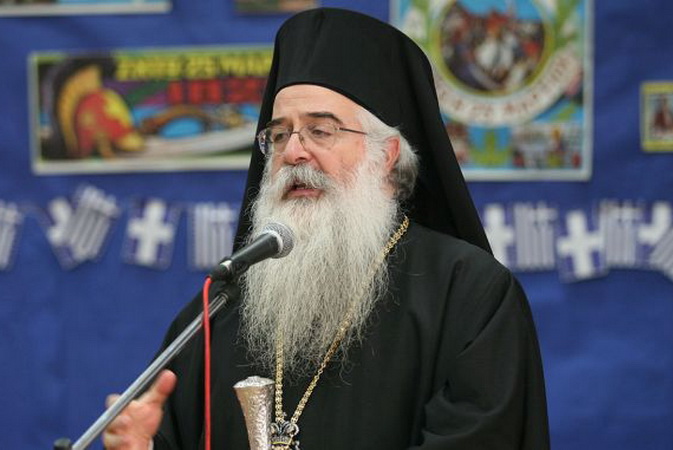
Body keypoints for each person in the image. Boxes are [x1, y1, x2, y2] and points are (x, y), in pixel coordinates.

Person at [103, 8, 550, 450]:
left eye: (320, 130)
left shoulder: (470, 295)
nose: (293, 152)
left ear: (387, 155)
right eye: (279, 135)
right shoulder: (225, 305)